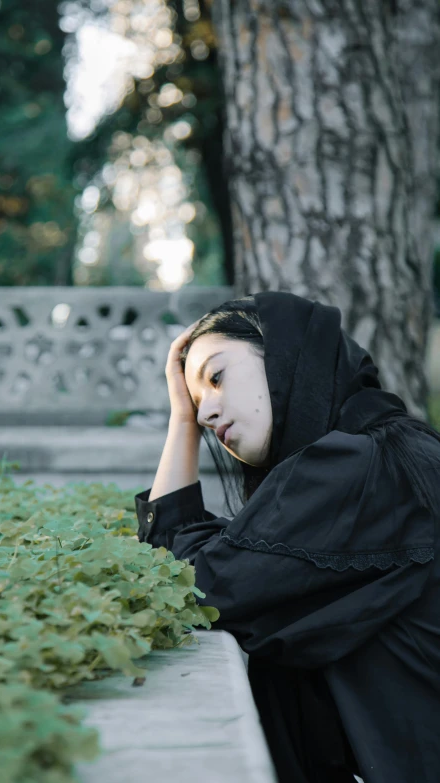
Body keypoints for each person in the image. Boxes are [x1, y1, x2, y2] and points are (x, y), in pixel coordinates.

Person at [134, 291, 440, 783]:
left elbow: (196, 584)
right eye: (197, 407)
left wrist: (181, 424)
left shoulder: (357, 467)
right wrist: (184, 415)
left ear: (283, 356)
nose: (208, 414)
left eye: (217, 377)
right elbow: (223, 561)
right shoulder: (389, 450)